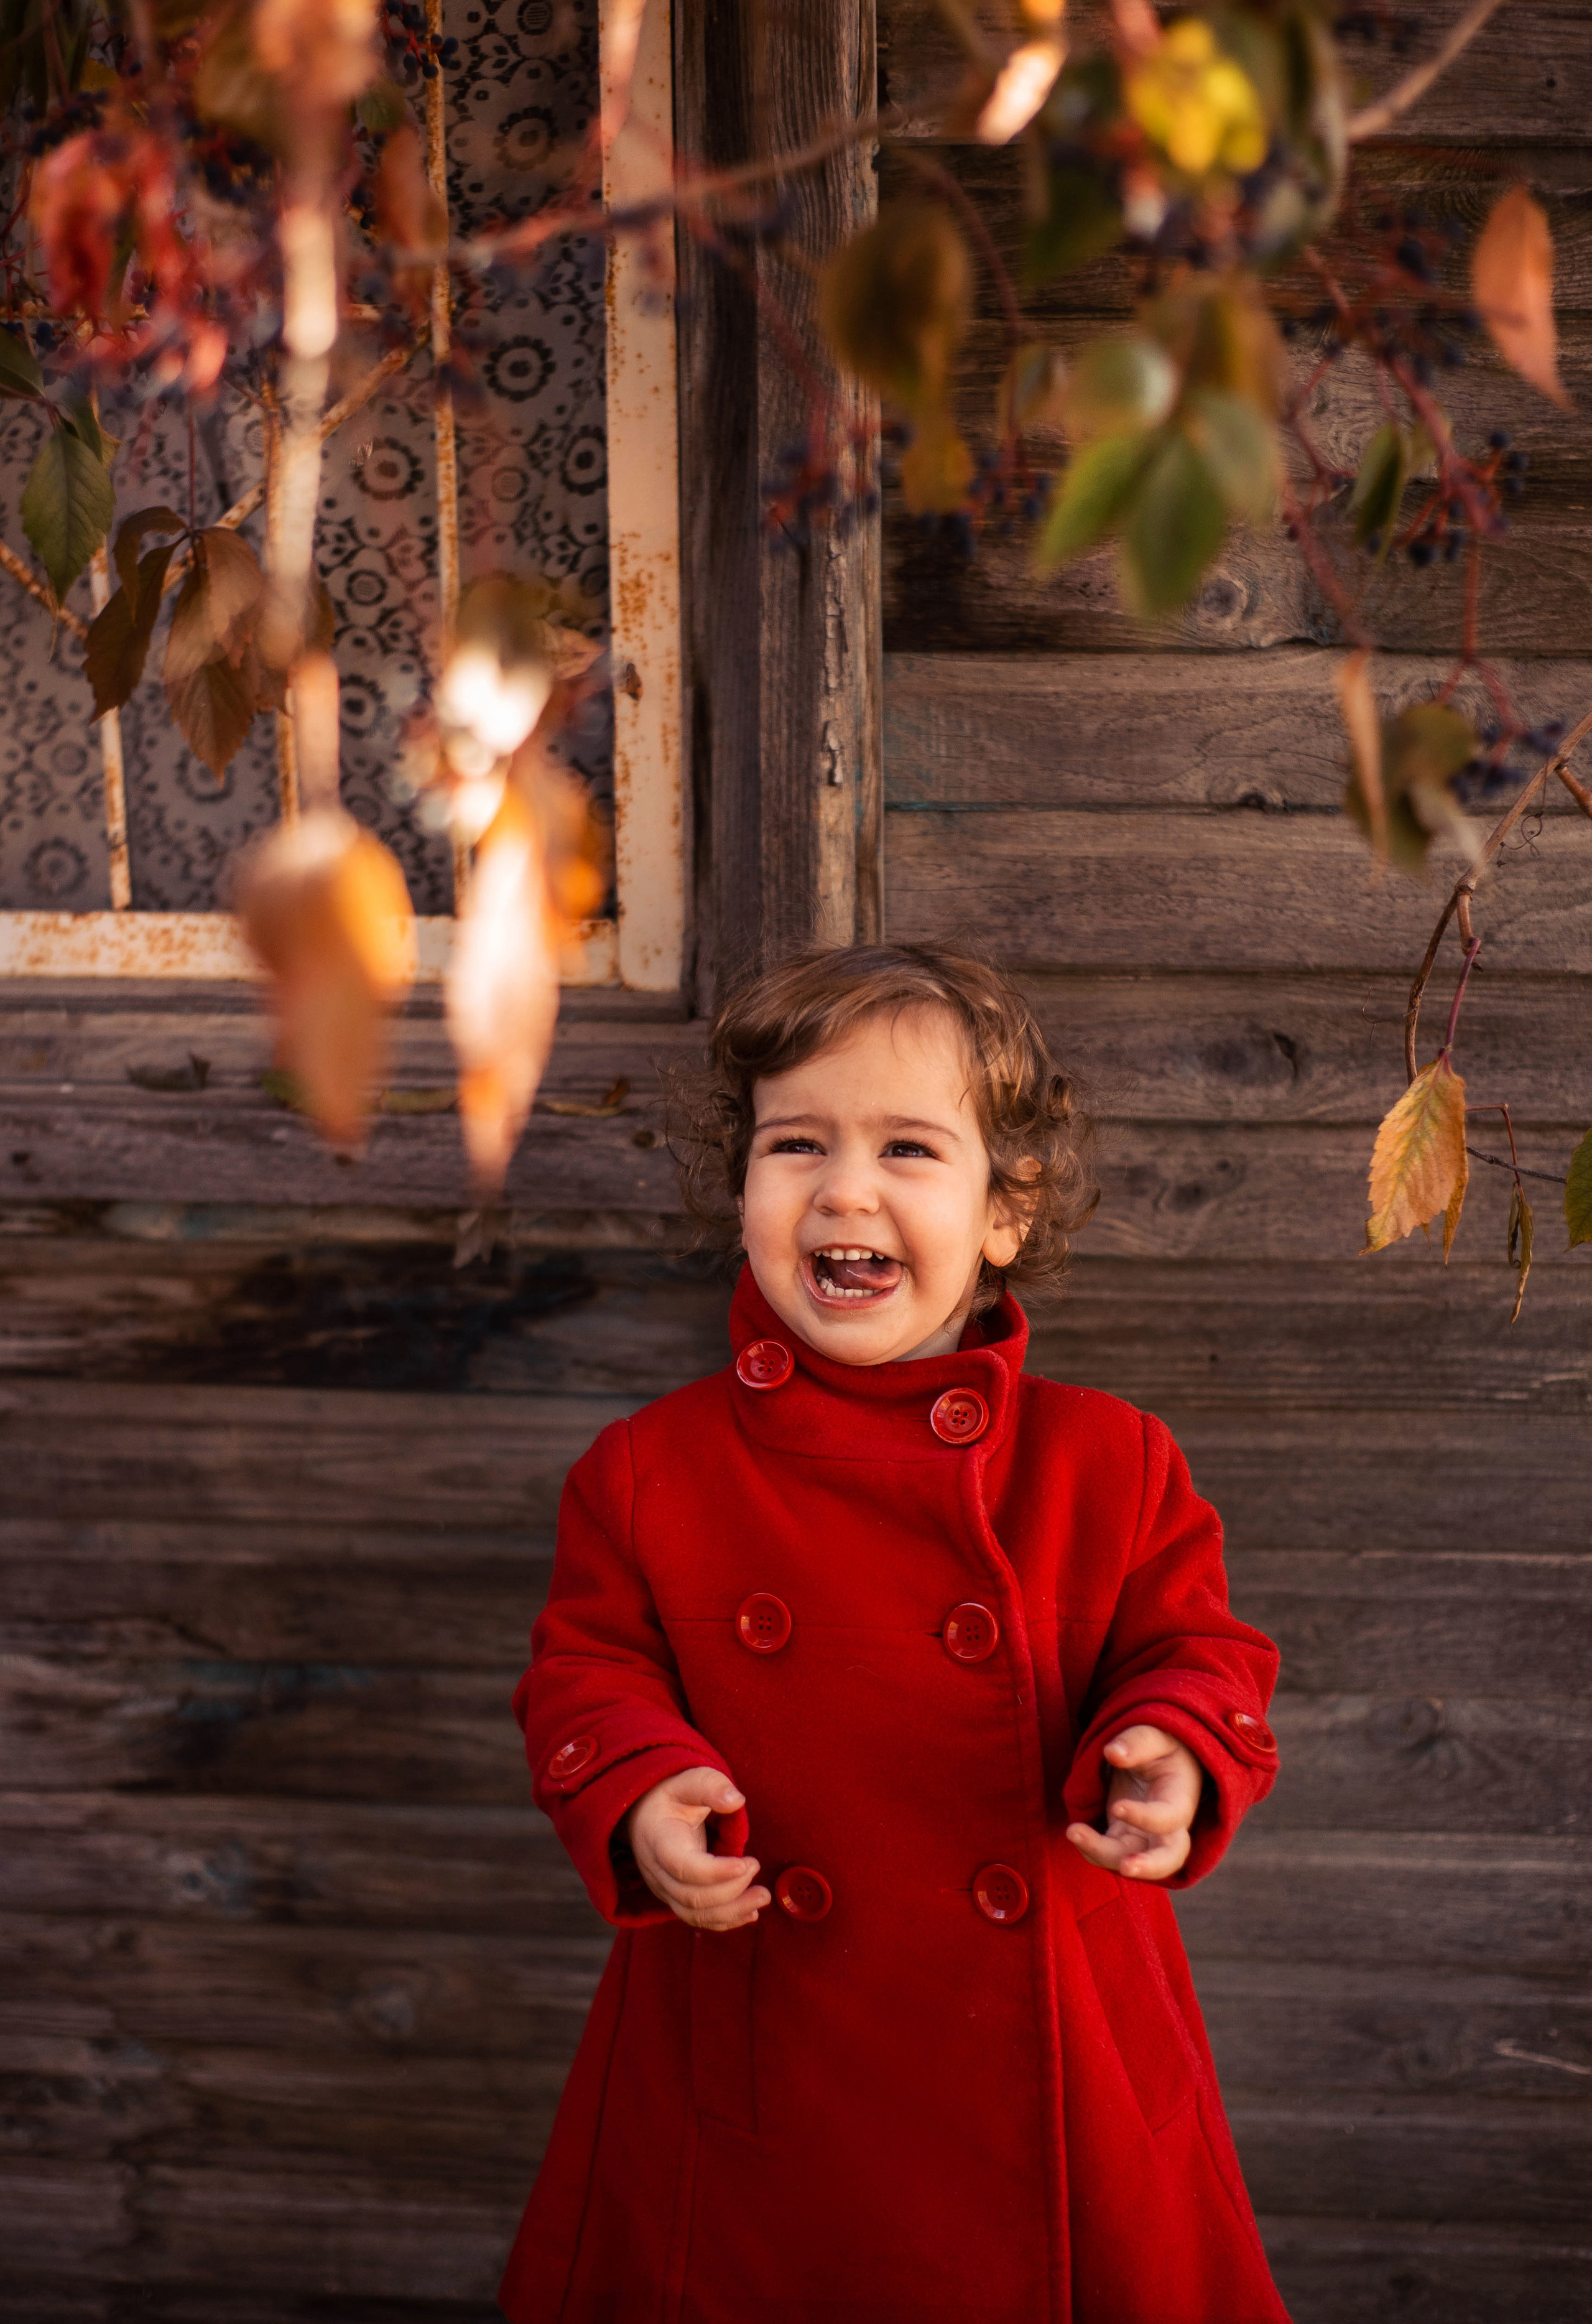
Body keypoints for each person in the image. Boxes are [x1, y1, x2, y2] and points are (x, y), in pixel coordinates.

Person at [498, 944, 1290, 2324]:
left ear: (1006, 1207)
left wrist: (1167, 1750)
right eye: (794, 1142)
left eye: (908, 1148)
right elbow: (585, 1669)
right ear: (742, 1186)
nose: (842, 1189)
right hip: (756, 2052)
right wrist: (637, 1787)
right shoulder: (648, 1471)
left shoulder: (1106, 1462)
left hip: (1058, 2057)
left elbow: (1195, 1651)